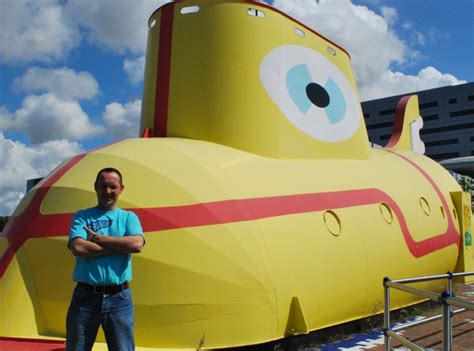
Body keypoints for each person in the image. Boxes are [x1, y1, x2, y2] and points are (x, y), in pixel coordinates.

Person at [66, 167, 144, 351]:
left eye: (112, 187)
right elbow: (78, 247)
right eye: (103, 186)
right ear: (95, 187)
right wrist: (119, 246)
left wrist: (100, 239)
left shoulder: (128, 217)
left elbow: (136, 245)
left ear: (121, 188)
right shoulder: (82, 216)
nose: (107, 191)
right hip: (85, 297)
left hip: (120, 298)